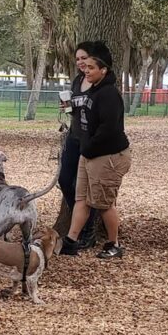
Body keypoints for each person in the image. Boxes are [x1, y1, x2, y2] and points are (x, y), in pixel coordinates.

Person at [60, 41, 131, 259]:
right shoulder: (92, 90)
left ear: (103, 70)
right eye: (85, 67)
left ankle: (113, 244)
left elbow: (109, 129)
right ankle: (71, 241)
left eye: (91, 68)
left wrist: (89, 146)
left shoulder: (109, 94)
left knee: (103, 203)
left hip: (107, 155)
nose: (86, 71)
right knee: (82, 198)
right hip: (88, 153)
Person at [58, 41, 99, 249]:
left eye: (84, 58)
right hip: (74, 136)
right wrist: (67, 107)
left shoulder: (99, 83)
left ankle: (88, 229)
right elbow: (77, 109)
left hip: (91, 141)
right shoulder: (77, 81)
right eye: (78, 59)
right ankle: (79, 219)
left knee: (84, 187)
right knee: (65, 180)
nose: (81, 62)